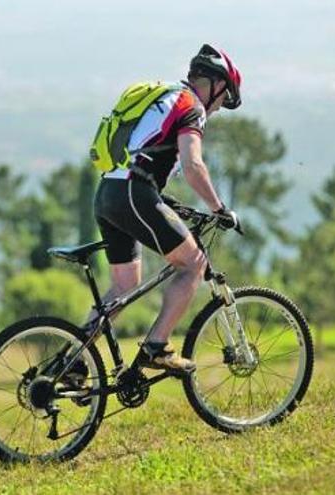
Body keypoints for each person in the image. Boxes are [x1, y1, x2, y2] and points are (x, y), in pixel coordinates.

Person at [90, 44, 243, 373]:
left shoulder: (168, 96)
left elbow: (143, 155)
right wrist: (219, 209)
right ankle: (157, 345)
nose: (216, 110)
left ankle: (74, 358)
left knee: (123, 284)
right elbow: (193, 165)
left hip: (108, 192)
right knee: (193, 264)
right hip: (133, 192)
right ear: (217, 86)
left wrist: (165, 201)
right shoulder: (192, 107)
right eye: (222, 100)